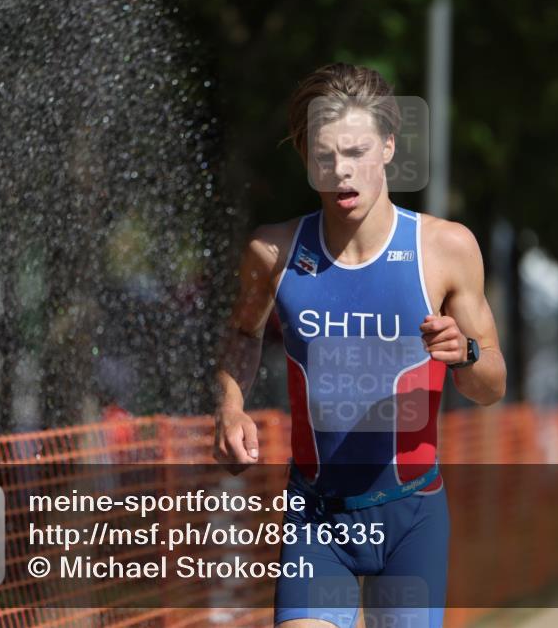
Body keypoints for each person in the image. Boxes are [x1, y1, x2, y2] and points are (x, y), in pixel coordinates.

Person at [213, 63, 506, 628]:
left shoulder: (445, 249)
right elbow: (242, 334)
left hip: (411, 515)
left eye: (356, 151)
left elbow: (492, 383)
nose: (340, 172)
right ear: (306, 160)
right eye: (324, 156)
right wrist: (229, 405)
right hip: (315, 518)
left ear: (389, 146)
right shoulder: (272, 253)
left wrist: (463, 352)